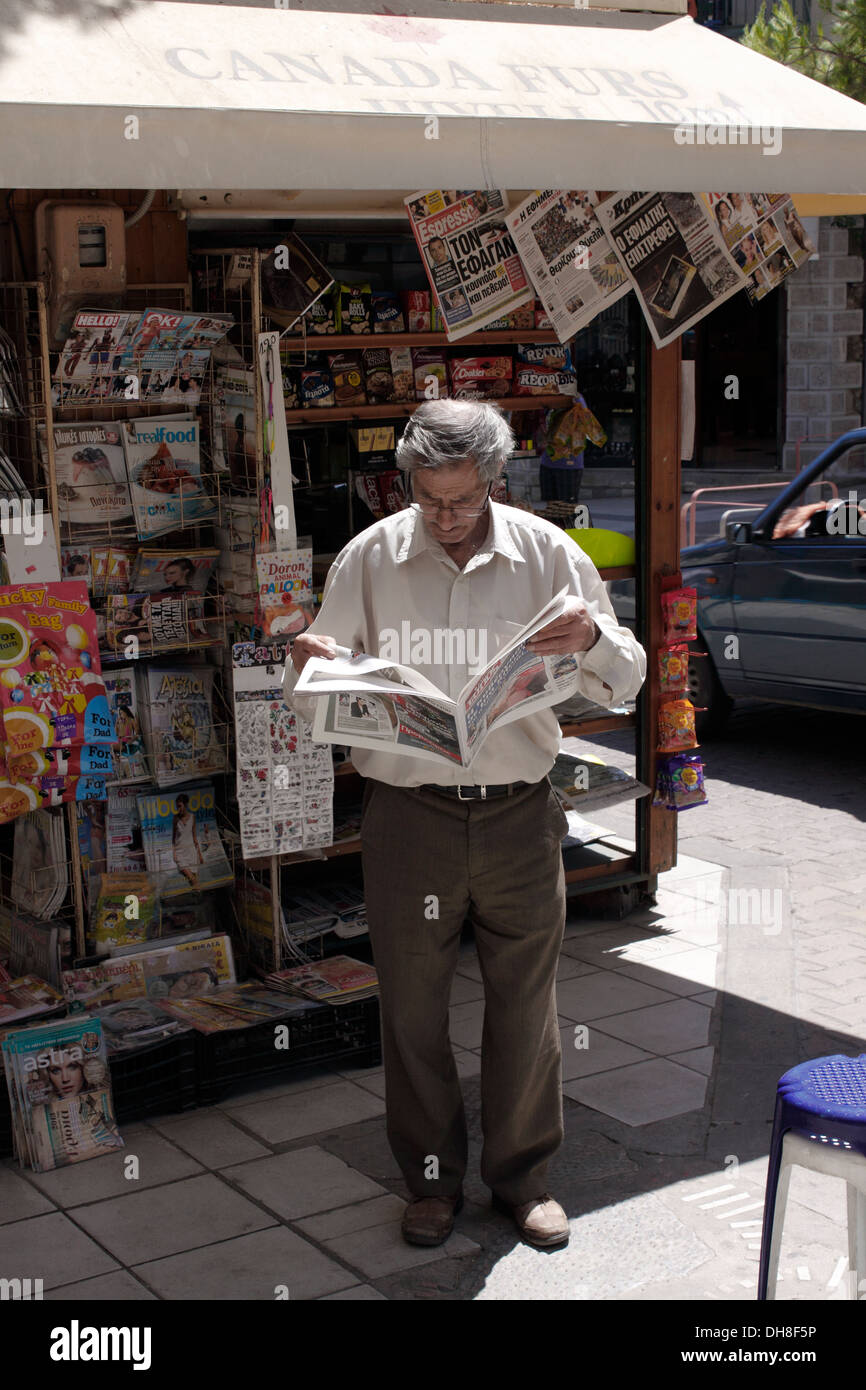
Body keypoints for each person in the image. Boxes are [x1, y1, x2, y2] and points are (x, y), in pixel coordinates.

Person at [285, 399, 646, 1250]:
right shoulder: (369, 557)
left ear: (495, 479)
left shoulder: (546, 553)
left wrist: (592, 635)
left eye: (463, 500)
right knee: (411, 1009)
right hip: (409, 818)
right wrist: (313, 669)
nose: (446, 518)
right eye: (428, 499)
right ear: (406, 482)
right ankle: (431, 1181)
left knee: (527, 1004)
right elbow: (313, 701)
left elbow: (624, 677)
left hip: (520, 813)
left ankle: (522, 1180)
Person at [172, 792, 203, 887]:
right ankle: (199, 891)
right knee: (193, 880)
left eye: (180, 806)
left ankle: (196, 898)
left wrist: (200, 854)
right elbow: (173, 838)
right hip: (180, 853)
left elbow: (194, 836)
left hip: (191, 852)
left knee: (193, 880)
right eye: (177, 806)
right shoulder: (175, 818)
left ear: (185, 805)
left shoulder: (192, 817)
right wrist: (174, 853)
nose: (178, 809)